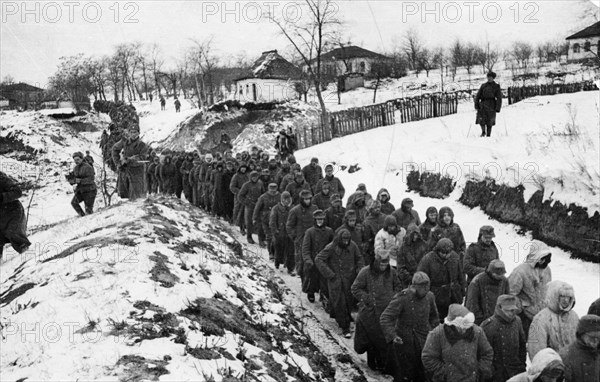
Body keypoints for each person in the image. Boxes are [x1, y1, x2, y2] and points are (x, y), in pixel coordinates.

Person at [380, 272, 439, 382]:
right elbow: (385, 318)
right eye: (422, 287)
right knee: (405, 374)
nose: (426, 290)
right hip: (405, 342)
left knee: (424, 373)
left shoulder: (430, 296)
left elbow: (434, 317)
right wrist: (392, 335)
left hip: (424, 339)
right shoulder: (403, 298)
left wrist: (434, 332)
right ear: (414, 286)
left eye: (427, 286)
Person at [351, 248, 401, 372]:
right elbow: (355, 288)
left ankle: (384, 364)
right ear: (376, 262)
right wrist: (366, 298)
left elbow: (398, 286)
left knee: (386, 338)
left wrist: (394, 297)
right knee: (372, 338)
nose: (384, 267)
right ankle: (372, 362)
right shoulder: (365, 272)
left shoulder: (392, 273)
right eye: (381, 264)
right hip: (371, 312)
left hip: (387, 311)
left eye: (386, 264)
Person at [422, 304, 493, 382]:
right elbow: (428, 357)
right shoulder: (437, 334)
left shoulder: (477, 332)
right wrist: (444, 372)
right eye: (461, 326)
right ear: (452, 323)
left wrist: (479, 370)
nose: (464, 329)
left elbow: (487, 353)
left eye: (467, 326)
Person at [316, 229, 364, 338]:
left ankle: (345, 318)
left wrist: (359, 270)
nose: (346, 242)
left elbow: (359, 258)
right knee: (339, 302)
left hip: (349, 279)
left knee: (348, 300)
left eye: (347, 239)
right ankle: (344, 326)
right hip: (335, 280)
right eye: (344, 239)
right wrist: (329, 273)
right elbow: (319, 259)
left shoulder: (353, 246)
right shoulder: (331, 247)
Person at [508, 240, 553, 338]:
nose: (544, 262)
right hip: (524, 317)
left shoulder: (547, 271)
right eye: (542, 259)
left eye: (546, 260)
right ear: (536, 257)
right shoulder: (520, 271)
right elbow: (509, 293)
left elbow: (548, 289)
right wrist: (520, 306)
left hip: (541, 316)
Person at [528, 280, 579, 358]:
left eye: (568, 297)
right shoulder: (539, 319)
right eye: (562, 296)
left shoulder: (574, 316)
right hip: (551, 365)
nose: (566, 300)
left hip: (572, 365)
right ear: (554, 297)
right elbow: (535, 350)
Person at [417, 238, 466, 321]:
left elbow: (461, 275)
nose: (446, 255)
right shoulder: (427, 260)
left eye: (448, 253)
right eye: (443, 253)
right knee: (436, 320)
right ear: (437, 250)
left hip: (453, 295)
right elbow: (421, 279)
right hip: (436, 296)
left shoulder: (455, 257)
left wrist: (462, 291)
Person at [481, 295, 527, 382]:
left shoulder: (517, 321)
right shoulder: (488, 326)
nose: (512, 313)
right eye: (509, 310)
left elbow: (522, 345)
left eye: (514, 310)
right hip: (497, 375)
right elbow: (484, 353)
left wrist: (522, 365)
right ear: (499, 308)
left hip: (515, 371)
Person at [302, 209, 334, 303]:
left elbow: (333, 246)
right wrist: (308, 260)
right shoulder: (310, 232)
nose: (320, 221)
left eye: (321, 219)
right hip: (313, 260)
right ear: (314, 220)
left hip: (324, 261)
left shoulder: (329, 231)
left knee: (324, 281)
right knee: (312, 280)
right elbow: (305, 248)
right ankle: (311, 293)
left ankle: (323, 296)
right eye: (318, 219)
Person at [466, 259, 510, 325]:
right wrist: (480, 320)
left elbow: (507, 299)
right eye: (497, 274)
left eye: (501, 274)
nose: (500, 276)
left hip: (499, 319)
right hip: (481, 320)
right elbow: (472, 304)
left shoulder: (504, 281)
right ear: (490, 272)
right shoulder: (477, 281)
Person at [559, 314, 600, 382]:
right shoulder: (567, 356)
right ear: (581, 335)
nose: (595, 341)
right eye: (592, 337)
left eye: (598, 337)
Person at [111, 128, 149, 200]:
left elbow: (142, 159)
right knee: (124, 197)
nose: (133, 134)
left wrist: (130, 160)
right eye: (131, 132)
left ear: (138, 133)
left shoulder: (143, 145)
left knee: (138, 197)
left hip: (137, 173)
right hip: (124, 171)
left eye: (135, 132)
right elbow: (114, 149)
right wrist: (118, 163)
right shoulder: (124, 142)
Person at [0, 171, 31, 259]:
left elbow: (18, 192)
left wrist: (2, 197)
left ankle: (28, 262)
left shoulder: (2, 179)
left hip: (13, 212)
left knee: (16, 237)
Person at [286, 190, 318, 277]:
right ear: (301, 199)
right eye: (305, 199)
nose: (307, 201)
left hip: (313, 236)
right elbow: (289, 226)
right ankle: (300, 273)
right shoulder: (295, 210)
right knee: (300, 256)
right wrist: (294, 236)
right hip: (300, 237)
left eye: (309, 199)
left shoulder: (315, 208)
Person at [396, 223, 429, 289]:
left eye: (417, 234)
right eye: (413, 235)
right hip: (409, 282)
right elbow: (400, 268)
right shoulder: (402, 248)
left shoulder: (424, 245)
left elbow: (428, 263)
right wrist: (412, 279)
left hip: (424, 280)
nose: (415, 236)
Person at [270, 191, 295, 274]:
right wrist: (275, 231)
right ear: (281, 199)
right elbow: (272, 222)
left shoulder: (293, 208)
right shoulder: (276, 208)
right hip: (279, 234)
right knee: (279, 250)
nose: (287, 201)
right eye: (285, 199)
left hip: (289, 234)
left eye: (288, 199)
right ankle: (277, 264)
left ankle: (290, 268)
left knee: (290, 251)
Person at [253, 183, 281, 252]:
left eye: (274, 191)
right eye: (271, 190)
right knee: (265, 232)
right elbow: (257, 208)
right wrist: (254, 217)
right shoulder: (263, 197)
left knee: (274, 234)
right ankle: (262, 241)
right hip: (265, 217)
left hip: (276, 217)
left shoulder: (279, 196)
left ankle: (274, 248)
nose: (272, 192)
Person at [67, 152, 97, 216]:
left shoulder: (88, 167)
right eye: (75, 160)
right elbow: (74, 178)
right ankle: (82, 216)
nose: (76, 161)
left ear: (81, 159)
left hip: (90, 190)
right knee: (74, 203)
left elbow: (91, 179)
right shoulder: (75, 168)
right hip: (81, 191)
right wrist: (71, 180)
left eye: (77, 159)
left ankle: (88, 220)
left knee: (89, 211)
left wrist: (80, 181)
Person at [238, 171, 264, 245]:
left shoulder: (260, 183)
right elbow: (240, 196)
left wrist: (262, 202)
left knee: (259, 222)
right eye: (253, 177)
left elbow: (263, 193)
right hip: (249, 206)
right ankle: (249, 236)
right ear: (250, 177)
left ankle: (260, 239)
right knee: (249, 222)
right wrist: (246, 202)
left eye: (256, 177)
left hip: (258, 205)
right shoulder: (246, 185)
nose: (255, 178)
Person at [475, 71, 502, 137]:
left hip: (491, 105)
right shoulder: (483, 86)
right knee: (481, 119)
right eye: (488, 77)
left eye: (491, 77)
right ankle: (483, 132)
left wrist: (498, 108)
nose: (489, 78)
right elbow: (478, 96)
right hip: (483, 104)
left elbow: (499, 98)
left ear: (493, 78)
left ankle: (488, 134)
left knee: (490, 120)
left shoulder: (496, 86)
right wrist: (477, 104)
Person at [362, 200, 386, 266]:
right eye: (375, 208)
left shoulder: (385, 218)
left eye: (378, 207)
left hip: (385, 245)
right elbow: (366, 237)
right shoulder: (367, 221)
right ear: (371, 209)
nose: (377, 209)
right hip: (372, 247)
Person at [230, 162, 249, 234]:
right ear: (239, 168)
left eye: (244, 168)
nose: (243, 169)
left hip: (246, 196)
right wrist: (240, 191)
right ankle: (238, 225)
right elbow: (232, 187)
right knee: (238, 210)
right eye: (242, 167)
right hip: (239, 196)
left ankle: (244, 226)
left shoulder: (247, 176)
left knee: (245, 212)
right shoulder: (236, 176)